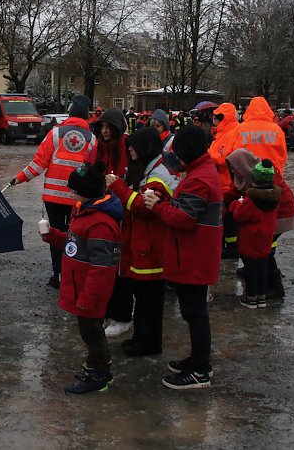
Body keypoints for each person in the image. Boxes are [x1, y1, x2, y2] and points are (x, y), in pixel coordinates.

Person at [144, 125, 222, 389]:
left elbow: (185, 218)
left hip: (193, 255)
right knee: (192, 312)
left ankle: (200, 369)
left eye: (179, 150)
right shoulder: (199, 171)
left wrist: (157, 206)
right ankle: (198, 359)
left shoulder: (199, 178)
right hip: (193, 253)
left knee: (195, 312)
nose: (175, 155)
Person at [42, 161, 122, 395]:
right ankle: (97, 364)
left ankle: (100, 374)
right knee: (90, 330)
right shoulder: (84, 211)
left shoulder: (100, 223)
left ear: (83, 192)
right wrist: (53, 237)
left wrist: (89, 297)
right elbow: (74, 244)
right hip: (82, 289)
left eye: (72, 189)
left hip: (90, 291)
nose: (70, 192)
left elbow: (102, 267)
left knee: (91, 332)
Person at [106, 127, 178, 357]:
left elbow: (143, 207)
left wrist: (118, 187)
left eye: (134, 145)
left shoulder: (157, 176)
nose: (129, 149)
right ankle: (141, 339)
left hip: (152, 247)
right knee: (144, 296)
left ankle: (148, 343)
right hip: (144, 243)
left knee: (149, 299)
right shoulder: (150, 169)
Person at [10, 95, 95, 288]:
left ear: (70, 112)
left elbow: (38, 164)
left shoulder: (55, 134)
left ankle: (58, 275)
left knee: (56, 236)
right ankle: (72, 275)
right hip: (78, 198)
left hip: (54, 197)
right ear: (86, 115)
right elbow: (94, 170)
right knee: (75, 236)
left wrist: (19, 178)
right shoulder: (92, 139)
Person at [227, 148, 294, 300]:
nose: (232, 169)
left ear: (242, 165)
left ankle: (274, 286)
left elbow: (269, 200)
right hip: (271, 214)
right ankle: (254, 272)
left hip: (281, 213)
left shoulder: (265, 176)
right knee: (261, 248)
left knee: (265, 248)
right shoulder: (248, 174)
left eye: (233, 166)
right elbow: (233, 191)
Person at [85, 107, 131, 338]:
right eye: (101, 127)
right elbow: (89, 169)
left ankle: (122, 315)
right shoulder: (98, 149)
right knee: (104, 264)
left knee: (119, 266)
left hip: (119, 208)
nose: (104, 131)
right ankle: (108, 311)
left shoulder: (125, 147)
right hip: (101, 207)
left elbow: (129, 175)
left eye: (108, 127)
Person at [228, 159, 280, 309]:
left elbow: (239, 215)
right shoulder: (274, 198)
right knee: (262, 268)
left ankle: (250, 298)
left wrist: (236, 203)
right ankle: (261, 297)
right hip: (265, 240)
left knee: (251, 270)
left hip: (250, 241)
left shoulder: (251, 200)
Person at [208, 103, 240, 259]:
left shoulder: (234, 132)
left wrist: (210, 157)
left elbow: (228, 157)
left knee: (228, 218)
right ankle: (222, 246)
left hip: (228, 183)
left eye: (217, 118)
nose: (214, 121)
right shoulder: (220, 133)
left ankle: (232, 248)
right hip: (219, 182)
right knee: (220, 217)